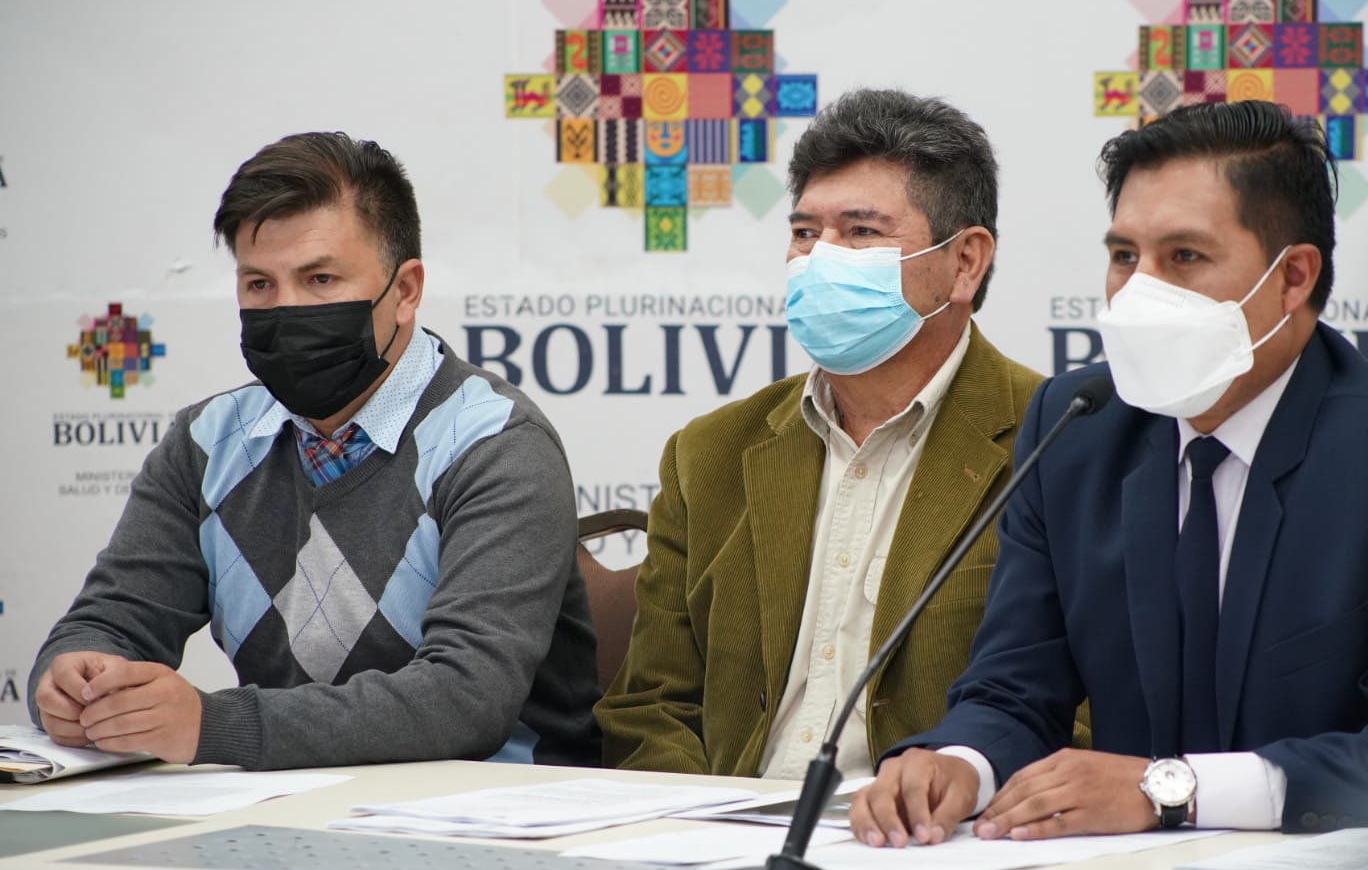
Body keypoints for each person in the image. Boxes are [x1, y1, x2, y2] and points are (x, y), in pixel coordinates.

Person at [851, 100, 1368, 846]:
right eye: (1124, 256)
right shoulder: (1078, 427)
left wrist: (1171, 791)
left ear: (1293, 277)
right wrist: (960, 763)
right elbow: (1015, 686)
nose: (1137, 290)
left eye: (1183, 256)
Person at [30, 132, 600, 769]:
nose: (286, 310)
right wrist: (73, 679)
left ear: (405, 291)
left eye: (320, 279)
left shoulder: (494, 442)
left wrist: (213, 726)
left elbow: (466, 698)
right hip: (287, 805)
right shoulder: (206, 443)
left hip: (500, 806)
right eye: (259, 284)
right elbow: (111, 622)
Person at [595, 88, 1086, 779]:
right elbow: (649, 706)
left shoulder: (1061, 441)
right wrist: (702, 821)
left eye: (860, 232)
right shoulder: (710, 452)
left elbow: (1086, 713)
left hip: (942, 829)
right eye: (804, 233)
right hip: (724, 823)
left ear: (965, 262)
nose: (819, 258)